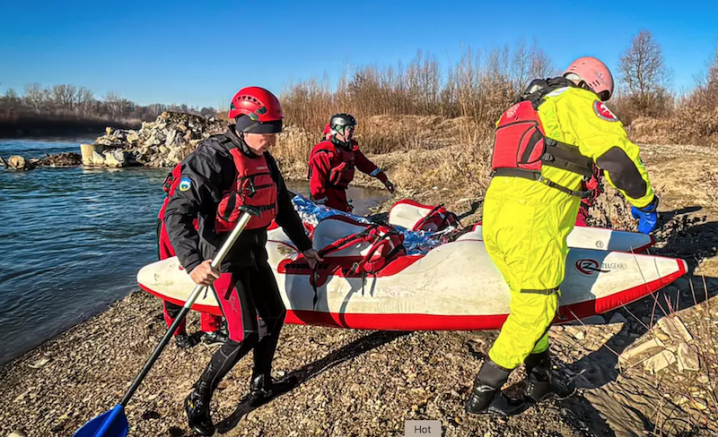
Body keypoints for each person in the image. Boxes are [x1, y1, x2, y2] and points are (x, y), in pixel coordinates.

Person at [465, 57, 660, 416]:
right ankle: (483, 396)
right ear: (593, 84)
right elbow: (618, 160)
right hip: (533, 225)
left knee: (528, 303)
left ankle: (540, 379)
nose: (601, 103)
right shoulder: (578, 102)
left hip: (495, 221)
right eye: (602, 96)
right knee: (537, 306)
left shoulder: (523, 107)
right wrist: (646, 202)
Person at [164, 86, 323, 436]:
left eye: (274, 133)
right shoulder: (210, 159)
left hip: (254, 251)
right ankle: (198, 396)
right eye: (267, 134)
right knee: (243, 334)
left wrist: (305, 245)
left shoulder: (264, 157)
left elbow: (281, 205)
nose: (273, 141)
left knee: (275, 315)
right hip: (221, 258)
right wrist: (192, 263)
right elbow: (176, 214)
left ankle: (261, 383)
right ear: (243, 124)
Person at [157, 168, 227, 349]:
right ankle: (178, 331)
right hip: (175, 227)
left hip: (205, 223)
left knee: (211, 272)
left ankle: (211, 328)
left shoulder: (223, 162)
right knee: (171, 279)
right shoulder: (197, 166)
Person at [307, 113, 395, 211]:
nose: (352, 133)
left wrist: (384, 180)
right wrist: (320, 205)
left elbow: (366, 165)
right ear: (338, 130)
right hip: (326, 197)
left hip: (340, 194)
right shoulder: (324, 152)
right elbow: (317, 180)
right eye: (349, 129)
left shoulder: (350, 148)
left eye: (353, 129)